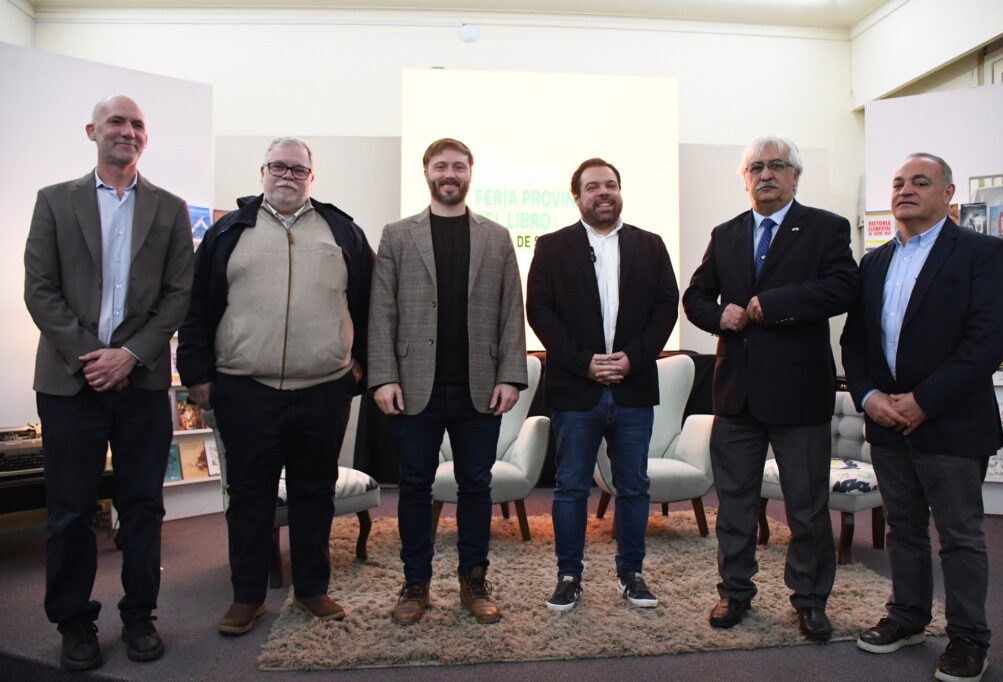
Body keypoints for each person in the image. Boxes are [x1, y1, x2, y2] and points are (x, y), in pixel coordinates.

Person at [176, 137, 374, 635]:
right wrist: (197, 374)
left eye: (298, 169)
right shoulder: (228, 231)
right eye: (278, 167)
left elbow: (371, 303)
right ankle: (247, 598)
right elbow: (197, 306)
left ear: (312, 176)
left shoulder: (342, 231)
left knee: (314, 493)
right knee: (249, 498)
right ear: (262, 172)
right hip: (246, 389)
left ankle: (311, 589)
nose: (288, 176)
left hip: (323, 389)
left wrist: (362, 365)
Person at [23, 95, 194, 670]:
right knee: (71, 511)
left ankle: (140, 614)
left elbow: (178, 295)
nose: (128, 131)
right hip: (70, 383)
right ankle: (74, 622)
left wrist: (129, 355)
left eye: (138, 124)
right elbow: (39, 288)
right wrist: (92, 357)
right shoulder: (54, 201)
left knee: (143, 506)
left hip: (141, 383)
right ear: (92, 130)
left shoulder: (169, 208)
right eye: (116, 122)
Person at [682, 134, 858, 640]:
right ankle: (734, 592)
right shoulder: (726, 233)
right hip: (736, 395)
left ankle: (810, 600)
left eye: (777, 165)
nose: (765, 174)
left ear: (795, 176)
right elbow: (695, 297)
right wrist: (719, 315)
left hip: (799, 395)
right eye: (756, 167)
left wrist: (774, 305)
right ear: (745, 179)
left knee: (806, 508)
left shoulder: (825, 228)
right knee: (735, 505)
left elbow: (844, 288)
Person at [841, 153, 1003, 682]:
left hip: (951, 421)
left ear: (948, 193)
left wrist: (924, 400)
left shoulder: (980, 252)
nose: (905, 190)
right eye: (898, 183)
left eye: (920, 182)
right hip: (887, 421)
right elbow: (855, 341)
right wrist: (869, 396)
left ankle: (968, 639)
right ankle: (908, 617)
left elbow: (988, 341)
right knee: (904, 528)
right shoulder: (874, 263)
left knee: (959, 535)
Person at [368, 138, 527, 625]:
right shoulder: (397, 235)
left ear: (470, 173)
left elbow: (511, 311)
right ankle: (415, 583)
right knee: (414, 487)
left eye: (459, 166)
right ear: (427, 172)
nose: (450, 174)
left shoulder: (496, 236)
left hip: (480, 387)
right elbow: (382, 311)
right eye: (441, 166)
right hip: (414, 386)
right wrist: (383, 377)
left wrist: (511, 376)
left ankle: (473, 580)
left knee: (476, 486)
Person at [526, 158, 679, 611]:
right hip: (576, 390)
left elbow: (666, 307)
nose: (604, 192)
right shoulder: (552, 247)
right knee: (572, 487)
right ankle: (568, 576)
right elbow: (540, 312)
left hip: (633, 388)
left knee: (634, 486)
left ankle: (631, 574)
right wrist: (583, 363)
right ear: (577, 196)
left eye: (611, 184)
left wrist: (633, 359)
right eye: (593, 187)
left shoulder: (650, 245)